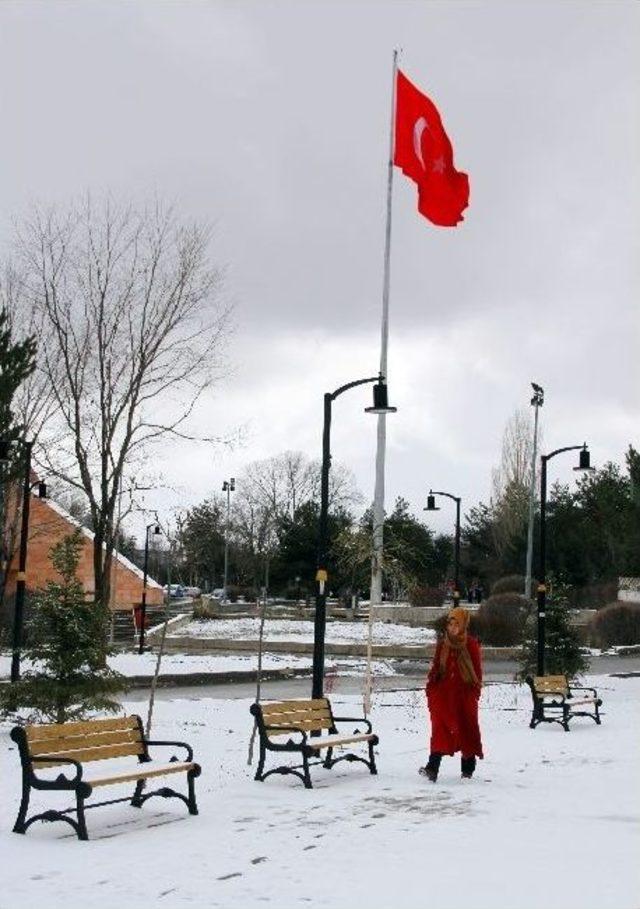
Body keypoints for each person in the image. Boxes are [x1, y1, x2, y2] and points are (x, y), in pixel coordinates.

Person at [420, 606, 483, 781]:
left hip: (464, 696)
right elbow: (435, 668)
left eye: (456, 624)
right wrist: (431, 689)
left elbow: (477, 672)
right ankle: (432, 768)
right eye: (450, 624)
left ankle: (468, 770)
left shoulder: (470, 644)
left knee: (466, 729)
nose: (452, 628)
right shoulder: (443, 644)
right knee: (440, 729)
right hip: (443, 696)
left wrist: (474, 693)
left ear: (463, 625)